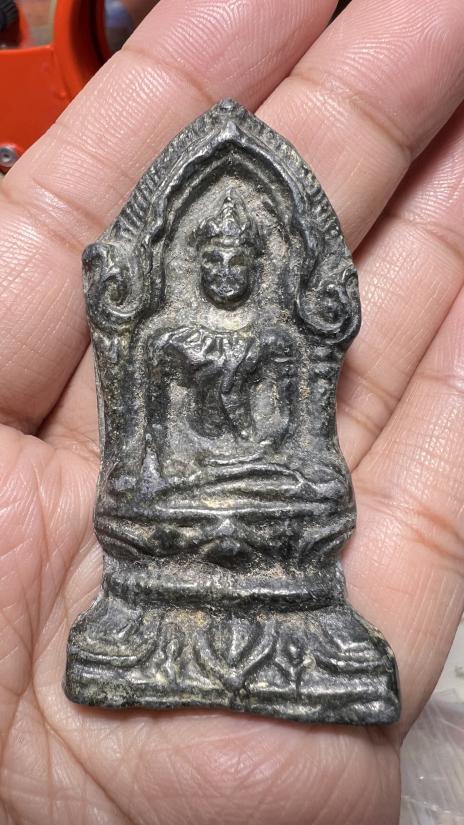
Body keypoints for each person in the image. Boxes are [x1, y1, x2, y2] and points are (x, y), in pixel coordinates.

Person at [0, 0, 463, 822]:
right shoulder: (164, 337)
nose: (220, 271)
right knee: (141, 499)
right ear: (192, 261)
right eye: (208, 258)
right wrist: (163, 479)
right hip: (176, 499)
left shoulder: (278, 341)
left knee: (313, 494)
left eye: (235, 260)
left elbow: (300, 444)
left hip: (260, 486)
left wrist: (266, 470)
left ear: (257, 264)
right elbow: (141, 451)